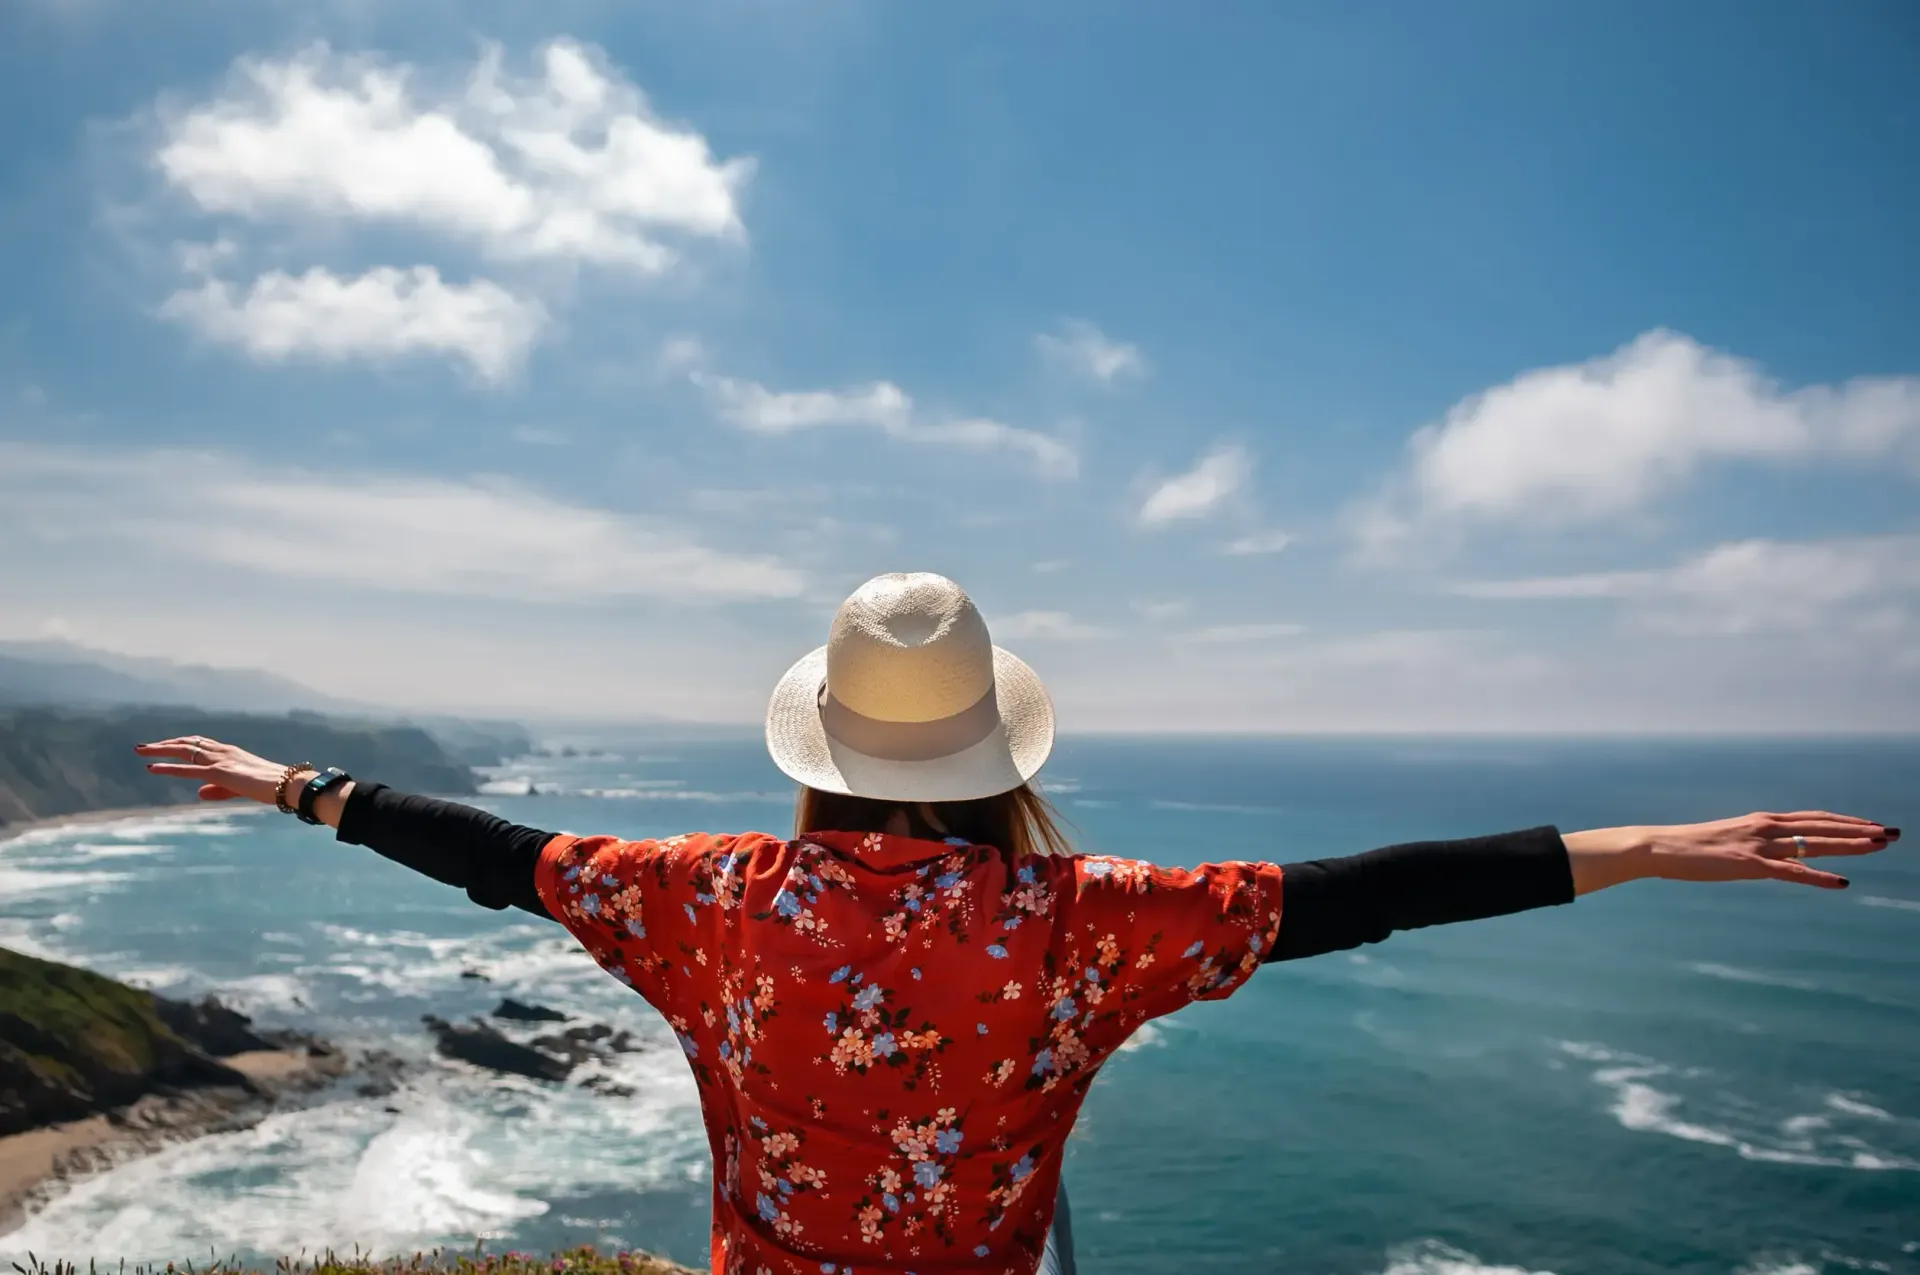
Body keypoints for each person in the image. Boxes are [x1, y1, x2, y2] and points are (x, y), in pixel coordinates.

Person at [136, 572, 1896, 1275]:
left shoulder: (708, 899)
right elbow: (1370, 896)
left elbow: (493, 852)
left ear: (820, 751)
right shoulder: (1083, 921)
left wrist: (298, 787)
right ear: (992, 749)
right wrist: (1648, 844)